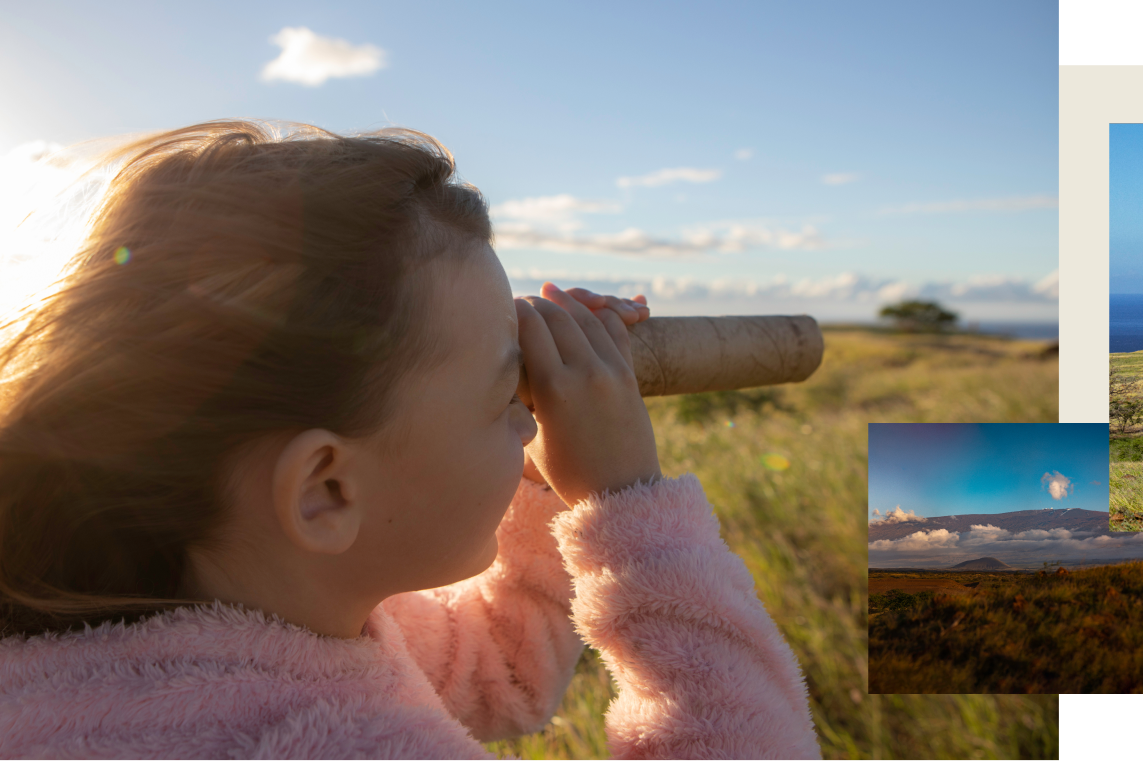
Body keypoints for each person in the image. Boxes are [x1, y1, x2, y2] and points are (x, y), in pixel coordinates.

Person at [0, 120, 818, 759]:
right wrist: (630, 512)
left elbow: (501, 673)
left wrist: (537, 475)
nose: (535, 417)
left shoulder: (172, 634)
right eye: (509, 395)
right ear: (325, 488)